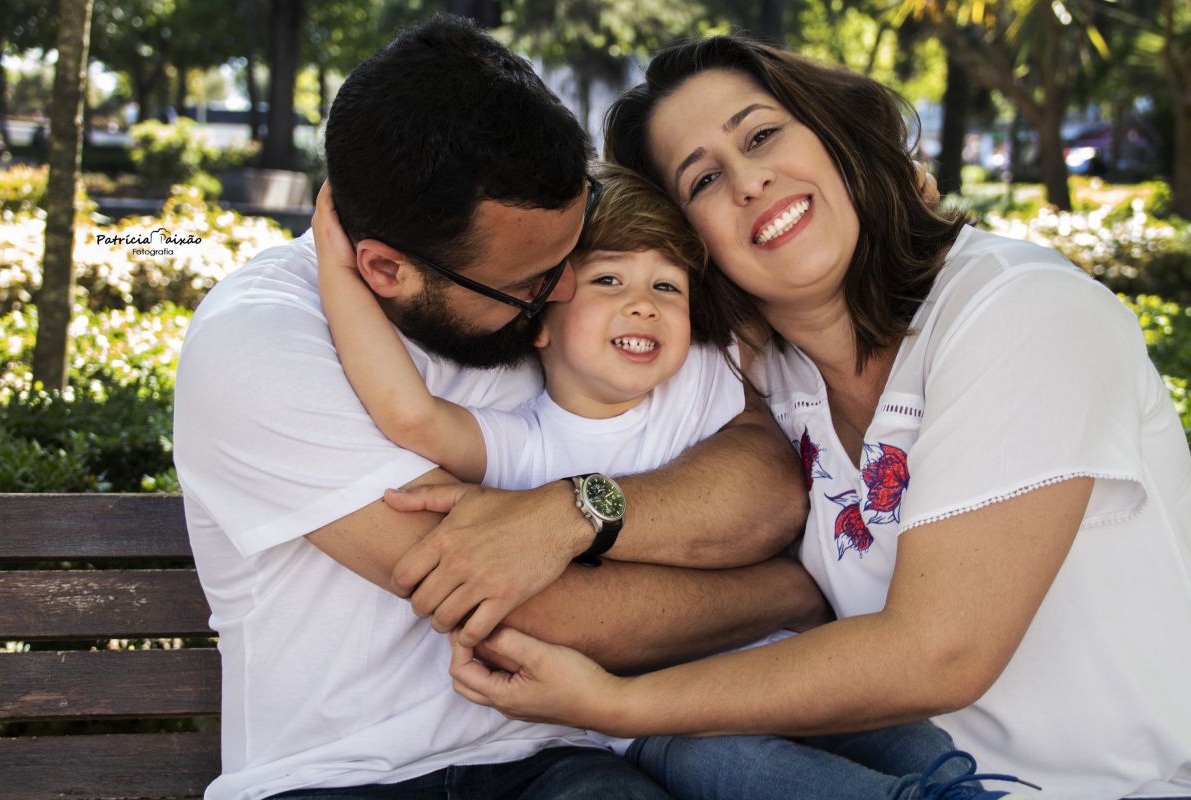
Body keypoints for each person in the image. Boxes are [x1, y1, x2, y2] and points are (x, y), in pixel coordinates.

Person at [446, 34, 1191, 800]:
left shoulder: (1023, 309)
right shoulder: (767, 373)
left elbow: (940, 653)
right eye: (703, 179)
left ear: (835, 137)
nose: (749, 180)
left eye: (762, 134)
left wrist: (618, 703)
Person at [173, 17, 826, 800]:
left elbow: (760, 480)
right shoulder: (261, 341)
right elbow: (535, 610)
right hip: (341, 778)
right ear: (383, 268)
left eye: (571, 256)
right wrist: (783, 594)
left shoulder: (581, 306)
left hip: (559, 760)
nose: (564, 293)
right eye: (529, 283)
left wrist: (571, 514)